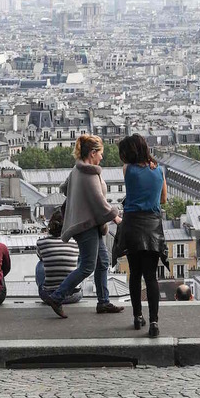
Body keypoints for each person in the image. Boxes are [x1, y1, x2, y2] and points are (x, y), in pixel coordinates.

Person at [43, 134, 124, 319]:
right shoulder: (89, 174)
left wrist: (77, 197)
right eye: (100, 153)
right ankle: (57, 296)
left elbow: (64, 188)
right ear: (93, 153)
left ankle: (103, 302)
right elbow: (100, 203)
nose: (102, 157)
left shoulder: (77, 170)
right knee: (87, 266)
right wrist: (116, 216)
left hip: (88, 223)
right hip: (86, 224)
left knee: (102, 262)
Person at [118, 134, 167, 338]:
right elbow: (164, 199)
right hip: (152, 225)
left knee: (135, 274)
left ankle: (138, 316)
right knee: (151, 277)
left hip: (132, 224)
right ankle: (154, 321)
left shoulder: (128, 170)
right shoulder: (159, 170)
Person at [36, 210, 82, 305]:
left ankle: (49, 288)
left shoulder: (41, 242)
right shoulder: (75, 243)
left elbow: (41, 257)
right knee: (79, 261)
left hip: (49, 297)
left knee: (41, 262)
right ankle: (74, 286)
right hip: (74, 296)